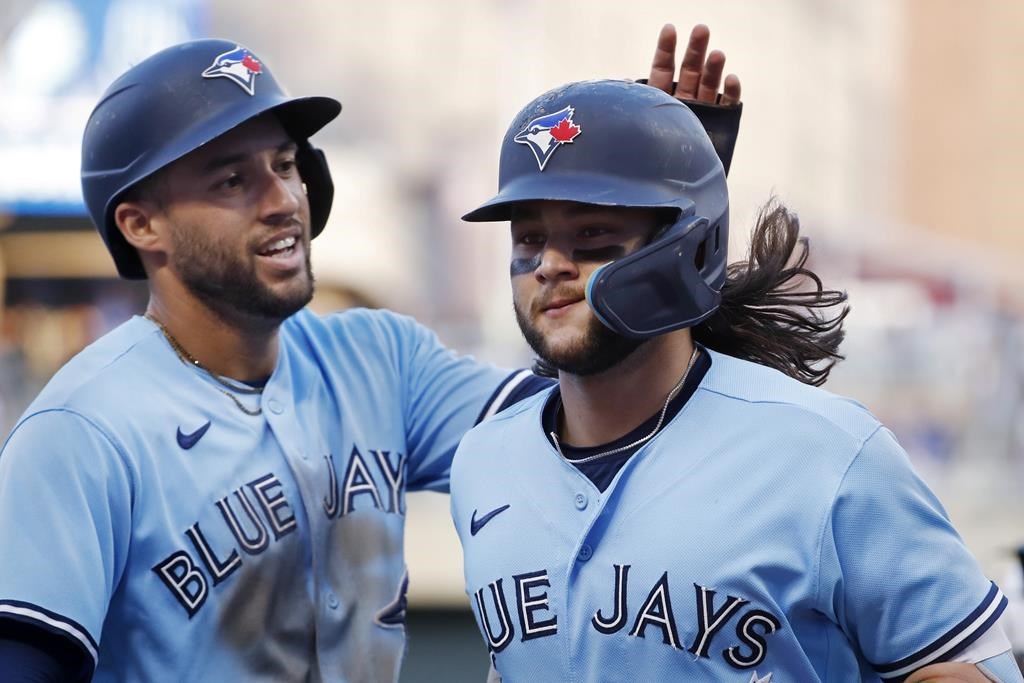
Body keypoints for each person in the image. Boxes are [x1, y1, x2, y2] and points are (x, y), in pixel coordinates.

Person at [0, 25, 740, 683]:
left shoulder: (379, 358)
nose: (281, 198)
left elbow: (605, 420)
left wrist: (664, 223)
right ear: (142, 225)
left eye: (286, 164)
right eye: (232, 179)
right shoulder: (80, 432)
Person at [452, 79, 1024, 681]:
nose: (549, 265)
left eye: (591, 233)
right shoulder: (485, 459)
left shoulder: (827, 452)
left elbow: (963, 673)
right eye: (529, 238)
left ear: (685, 246)